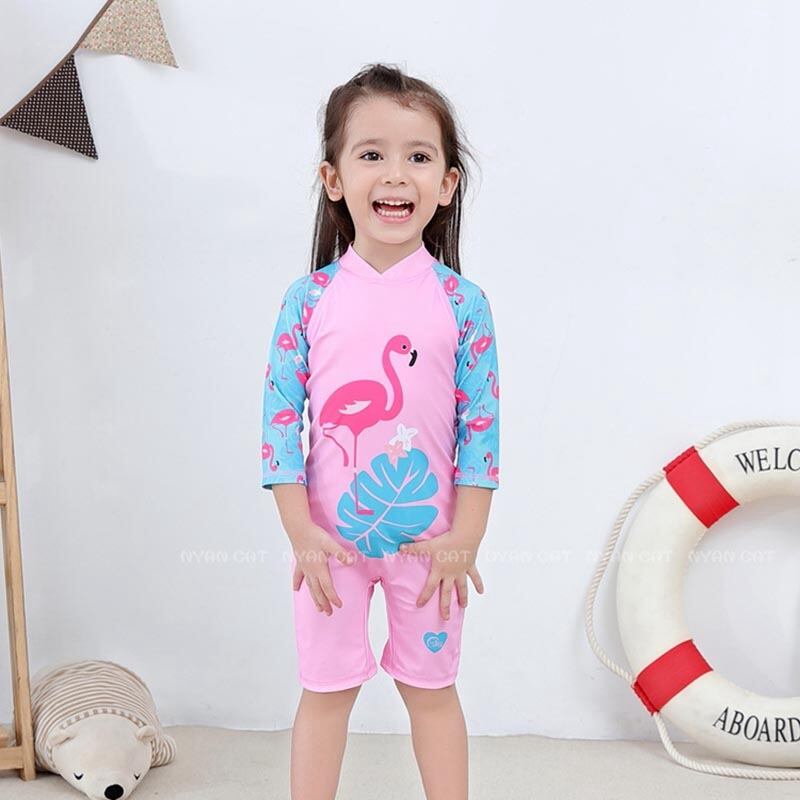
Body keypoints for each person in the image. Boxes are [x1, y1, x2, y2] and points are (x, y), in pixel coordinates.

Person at [261, 62, 500, 800]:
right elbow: (280, 427)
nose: (395, 174)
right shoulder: (308, 301)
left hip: (429, 545)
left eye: (418, 156)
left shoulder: (463, 304)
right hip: (329, 545)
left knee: (432, 691)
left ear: (447, 184)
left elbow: (481, 434)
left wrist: (466, 537)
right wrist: (302, 533)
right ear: (333, 179)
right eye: (372, 154)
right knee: (325, 691)